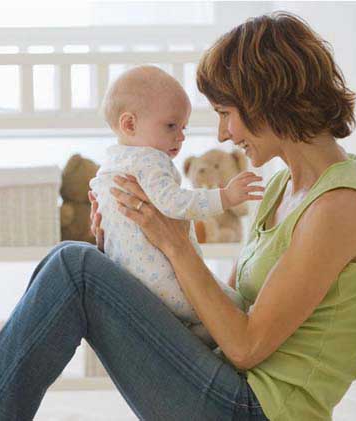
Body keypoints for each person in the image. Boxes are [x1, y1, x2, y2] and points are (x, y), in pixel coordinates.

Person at [0, 12, 356, 421]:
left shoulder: (340, 207)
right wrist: (127, 248)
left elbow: (245, 346)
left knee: (72, 267)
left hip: (254, 411)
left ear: (267, 98)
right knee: (77, 264)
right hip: (226, 387)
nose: (222, 133)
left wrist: (174, 240)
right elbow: (218, 312)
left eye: (226, 113)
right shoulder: (280, 188)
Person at [89, 64, 262, 347]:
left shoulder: (109, 164)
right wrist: (225, 197)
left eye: (183, 128)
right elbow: (174, 204)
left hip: (129, 278)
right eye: (171, 126)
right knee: (233, 305)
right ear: (129, 124)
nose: (181, 136)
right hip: (163, 280)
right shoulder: (150, 160)